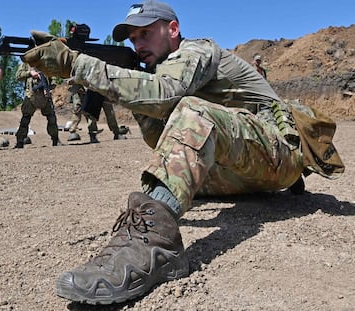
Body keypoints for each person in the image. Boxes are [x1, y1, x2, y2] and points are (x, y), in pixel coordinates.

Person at [22, 0, 345, 305]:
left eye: (145, 33)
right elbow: (159, 136)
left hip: (280, 155)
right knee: (169, 132)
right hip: (240, 172)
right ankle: (149, 223)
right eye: (133, 38)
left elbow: (167, 96)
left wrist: (76, 64)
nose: (138, 44)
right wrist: (118, 84)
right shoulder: (161, 67)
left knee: (193, 111)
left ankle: (155, 248)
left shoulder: (197, 50)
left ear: (173, 29)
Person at [14, 62, 61, 148]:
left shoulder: (46, 63)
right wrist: (30, 73)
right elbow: (18, 75)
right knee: (25, 119)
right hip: (30, 95)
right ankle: (20, 141)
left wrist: (49, 88)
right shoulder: (26, 63)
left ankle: (55, 139)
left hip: (45, 96)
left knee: (51, 118)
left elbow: (53, 79)